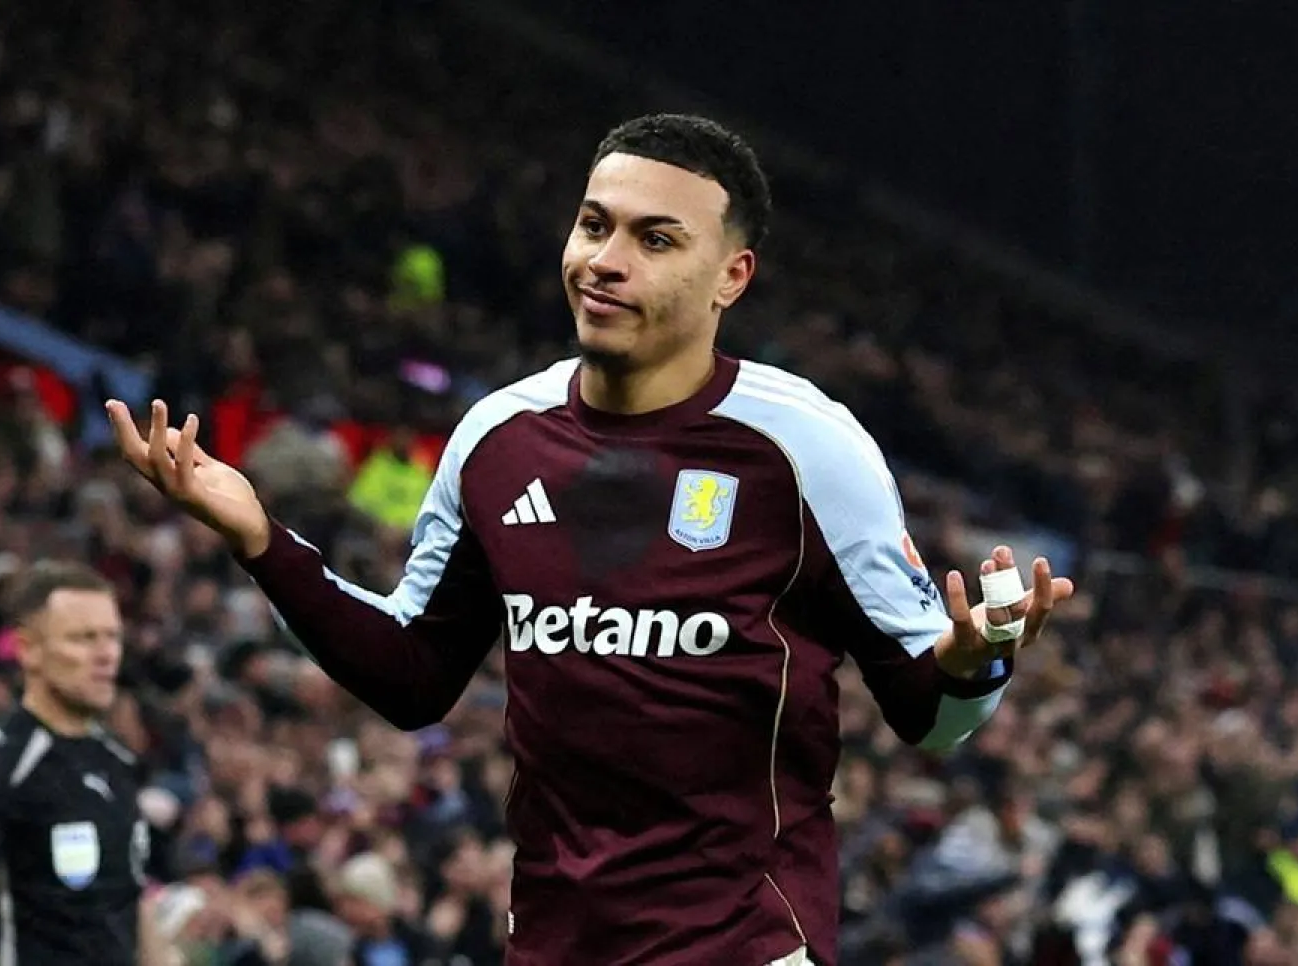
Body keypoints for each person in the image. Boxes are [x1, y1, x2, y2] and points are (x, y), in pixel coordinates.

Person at [106, 112, 1075, 966]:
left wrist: (970, 659)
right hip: (554, 942)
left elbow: (932, 720)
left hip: (743, 942)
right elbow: (412, 678)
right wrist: (261, 540)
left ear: (732, 274)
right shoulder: (495, 440)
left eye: (655, 239)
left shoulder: (807, 448)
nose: (605, 259)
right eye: (594, 224)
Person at [0, 562, 172, 966]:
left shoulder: (116, 761)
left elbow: (131, 905)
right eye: (83, 638)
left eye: (112, 637)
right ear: (28, 650)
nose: (106, 654)